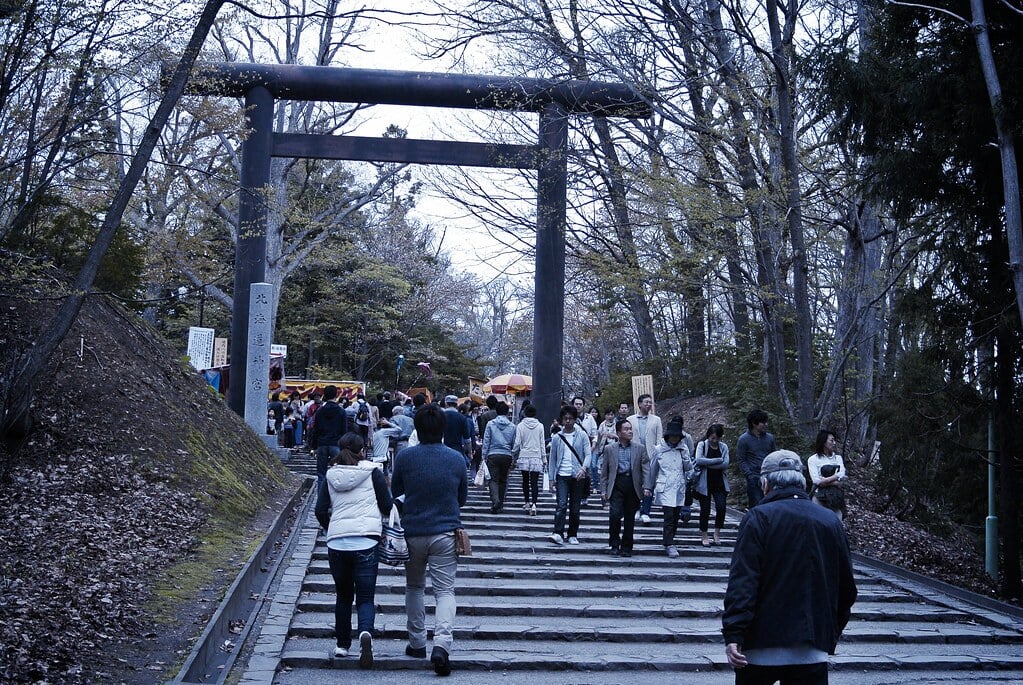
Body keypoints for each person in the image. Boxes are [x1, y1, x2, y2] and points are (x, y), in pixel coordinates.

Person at [723, 450, 857, 684]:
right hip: (811, 648)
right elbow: (846, 588)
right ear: (802, 482)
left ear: (766, 484)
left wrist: (734, 633)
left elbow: (744, 581)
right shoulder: (829, 521)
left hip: (759, 648)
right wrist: (830, 630)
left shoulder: (758, 518)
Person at [390, 403, 468, 677]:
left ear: (418, 428)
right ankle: (442, 645)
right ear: (443, 429)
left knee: (414, 587)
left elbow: (396, 492)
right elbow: (462, 498)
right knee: (445, 591)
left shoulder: (405, 458)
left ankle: (417, 641)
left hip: (412, 531)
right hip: (445, 532)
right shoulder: (457, 459)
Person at [314, 432, 392, 669]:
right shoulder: (373, 472)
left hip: (337, 542)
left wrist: (332, 529)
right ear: (362, 450)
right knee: (365, 597)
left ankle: (341, 645)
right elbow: (387, 506)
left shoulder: (331, 474)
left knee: (343, 595)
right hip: (366, 540)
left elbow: (320, 510)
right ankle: (365, 633)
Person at [645, 417, 694, 558]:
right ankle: (669, 543)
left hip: (679, 486)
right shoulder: (659, 450)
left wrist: (685, 455)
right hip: (665, 486)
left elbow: (688, 468)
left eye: (677, 436)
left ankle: (670, 540)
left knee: (676, 515)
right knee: (669, 516)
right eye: (672, 436)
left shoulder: (682, 449)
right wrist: (648, 486)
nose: (674, 438)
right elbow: (653, 469)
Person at [598, 418, 648, 557]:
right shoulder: (610, 449)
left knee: (629, 518)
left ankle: (627, 547)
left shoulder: (639, 448)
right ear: (619, 432)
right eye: (626, 429)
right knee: (614, 515)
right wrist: (603, 490)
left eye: (630, 428)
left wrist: (647, 486)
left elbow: (645, 468)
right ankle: (614, 544)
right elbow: (605, 472)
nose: (630, 431)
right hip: (616, 484)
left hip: (632, 484)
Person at [546, 405, 591, 546]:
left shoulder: (582, 435)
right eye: (565, 419)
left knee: (575, 507)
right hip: (562, 475)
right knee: (561, 504)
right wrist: (551, 478)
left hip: (577, 475)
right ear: (561, 420)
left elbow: (588, 454)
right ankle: (558, 532)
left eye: (570, 419)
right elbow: (552, 459)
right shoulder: (557, 437)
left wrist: (583, 469)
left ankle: (572, 534)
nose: (568, 421)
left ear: (575, 419)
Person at [692, 423, 730, 546]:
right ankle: (704, 534)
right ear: (708, 436)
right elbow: (698, 460)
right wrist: (717, 460)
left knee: (721, 507)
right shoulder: (702, 445)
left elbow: (725, 464)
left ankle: (717, 533)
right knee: (705, 509)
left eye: (717, 438)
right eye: (712, 438)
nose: (714, 441)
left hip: (719, 482)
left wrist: (707, 463)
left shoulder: (723, 447)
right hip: (704, 482)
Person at [627, 394, 663, 524]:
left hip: (651, 455)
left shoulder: (656, 420)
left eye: (650, 402)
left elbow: (659, 438)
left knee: (649, 484)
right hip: (634, 454)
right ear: (640, 404)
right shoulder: (630, 419)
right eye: (646, 402)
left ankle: (646, 511)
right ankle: (636, 508)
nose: (649, 404)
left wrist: (658, 454)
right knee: (635, 483)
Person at [735, 409, 777, 508]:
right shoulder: (744, 439)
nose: (766, 424)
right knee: (756, 505)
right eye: (763, 422)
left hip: (769, 477)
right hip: (754, 477)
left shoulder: (770, 438)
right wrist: (749, 475)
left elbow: (773, 456)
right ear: (754, 423)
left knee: (770, 505)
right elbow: (741, 459)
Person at [482, 401, 516, 514]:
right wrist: (514, 457)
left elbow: (486, 441)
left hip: (493, 454)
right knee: (503, 480)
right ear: (507, 412)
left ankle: (495, 501)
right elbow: (515, 444)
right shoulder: (512, 426)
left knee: (493, 480)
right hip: (507, 455)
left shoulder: (491, 424)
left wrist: (484, 456)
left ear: (497, 411)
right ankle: (500, 503)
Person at [513, 403, 546, 516]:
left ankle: (527, 502)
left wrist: (513, 452)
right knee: (535, 482)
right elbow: (542, 444)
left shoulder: (520, 426)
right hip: (536, 456)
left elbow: (517, 442)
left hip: (524, 456)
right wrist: (544, 459)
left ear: (525, 413)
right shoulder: (540, 426)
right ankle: (534, 504)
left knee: (525, 481)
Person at [309, 385, 346, 486]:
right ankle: (336, 498)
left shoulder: (320, 411)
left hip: (322, 443)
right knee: (338, 473)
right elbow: (344, 430)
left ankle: (322, 498)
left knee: (321, 474)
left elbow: (315, 429)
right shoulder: (341, 411)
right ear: (336, 395)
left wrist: (313, 446)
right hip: (336, 443)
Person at [807, 430, 847, 521]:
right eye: (831, 440)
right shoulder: (813, 459)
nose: (834, 443)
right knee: (818, 522)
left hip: (836, 498)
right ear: (824, 442)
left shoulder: (838, 458)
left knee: (837, 522)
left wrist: (825, 480)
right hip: (819, 497)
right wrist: (835, 481)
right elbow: (816, 481)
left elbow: (842, 475)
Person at [441, 395, 471, 466]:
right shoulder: (462, 418)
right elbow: (467, 439)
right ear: (456, 404)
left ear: (446, 403)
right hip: (457, 450)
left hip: (442, 450)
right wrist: (470, 452)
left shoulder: (440, 416)